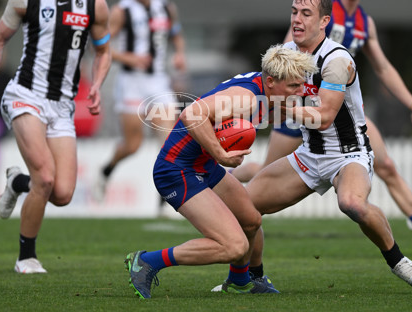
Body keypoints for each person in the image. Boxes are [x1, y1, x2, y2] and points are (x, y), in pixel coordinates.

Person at [232, 0, 412, 256]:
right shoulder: (314, 7)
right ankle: (219, 186)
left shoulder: (364, 22)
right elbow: (288, 50)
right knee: (266, 171)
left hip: (343, 113)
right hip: (303, 111)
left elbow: (382, 67)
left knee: (388, 166)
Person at [213, 0, 412, 294]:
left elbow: (325, 116)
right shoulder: (286, 54)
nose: (297, 19)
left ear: (325, 21)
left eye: (306, 14)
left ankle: (398, 260)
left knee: (351, 203)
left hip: (348, 154)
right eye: (294, 12)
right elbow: (270, 101)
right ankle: (250, 278)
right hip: (309, 155)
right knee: (245, 209)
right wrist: (243, 116)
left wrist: (280, 107)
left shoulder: (336, 59)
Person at [124, 44, 319, 299]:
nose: (300, 90)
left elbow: (286, 116)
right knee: (234, 246)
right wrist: (220, 153)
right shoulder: (246, 97)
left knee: (251, 220)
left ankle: (240, 281)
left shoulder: (271, 96)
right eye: (294, 85)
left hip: (202, 166)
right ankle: (148, 261)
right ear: (270, 81)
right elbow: (191, 113)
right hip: (176, 170)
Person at [0, 0, 111, 274]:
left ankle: (16, 182)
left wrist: (96, 85)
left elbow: (104, 51)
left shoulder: (94, 2)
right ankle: (26, 256)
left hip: (62, 106)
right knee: (47, 178)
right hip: (25, 95)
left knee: (63, 193)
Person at [92, 0, 187, 204]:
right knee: (133, 145)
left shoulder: (166, 7)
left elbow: (176, 34)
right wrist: (129, 58)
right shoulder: (121, 10)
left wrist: (179, 54)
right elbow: (102, 46)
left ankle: (166, 196)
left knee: (168, 141)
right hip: (131, 83)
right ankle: (107, 170)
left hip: (158, 83)